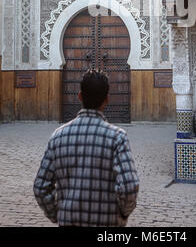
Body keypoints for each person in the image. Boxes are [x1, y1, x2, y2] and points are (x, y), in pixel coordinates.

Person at [33, 69, 139, 227]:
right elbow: (129, 187)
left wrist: (59, 214)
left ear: (80, 96)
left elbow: (40, 186)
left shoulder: (58, 136)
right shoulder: (117, 137)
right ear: (107, 99)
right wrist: (121, 214)